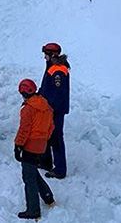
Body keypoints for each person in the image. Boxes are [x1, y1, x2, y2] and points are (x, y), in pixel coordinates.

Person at [14, 79, 55, 220]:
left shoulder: (28, 109)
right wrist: (44, 139)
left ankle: (33, 210)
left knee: (28, 178)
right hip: (42, 145)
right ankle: (48, 196)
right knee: (33, 172)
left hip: (30, 145)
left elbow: (24, 130)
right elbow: (51, 127)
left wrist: (18, 145)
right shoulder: (46, 105)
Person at [39, 42, 71, 179]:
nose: (44, 57)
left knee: (56, 137)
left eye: (45, 54)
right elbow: (47, 88)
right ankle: (46, 162)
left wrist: (48, 107)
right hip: (50, 109)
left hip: (55, 110)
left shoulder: (58, 70)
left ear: (52, 55)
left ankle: (60, 169)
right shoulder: (52, 67)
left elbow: (57, 94)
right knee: (47, 135)